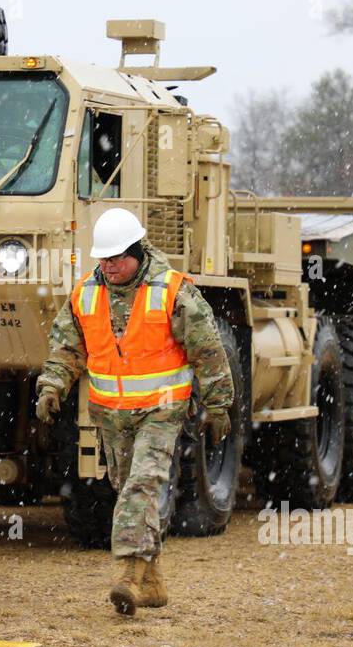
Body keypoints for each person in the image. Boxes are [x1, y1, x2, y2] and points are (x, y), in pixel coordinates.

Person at [35, 208, 235, 615]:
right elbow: (66, 349)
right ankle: (154, 582)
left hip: (162, 411)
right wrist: (52, 385)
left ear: (137, 252)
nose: (108, 267)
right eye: (103, 260)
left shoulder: (173, 291)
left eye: (116, 259)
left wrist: (218, 405)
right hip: (110, 415)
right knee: (128, 490)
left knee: (143, 485)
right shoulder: (85, 294)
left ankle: (128, 574)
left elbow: (207, 351)